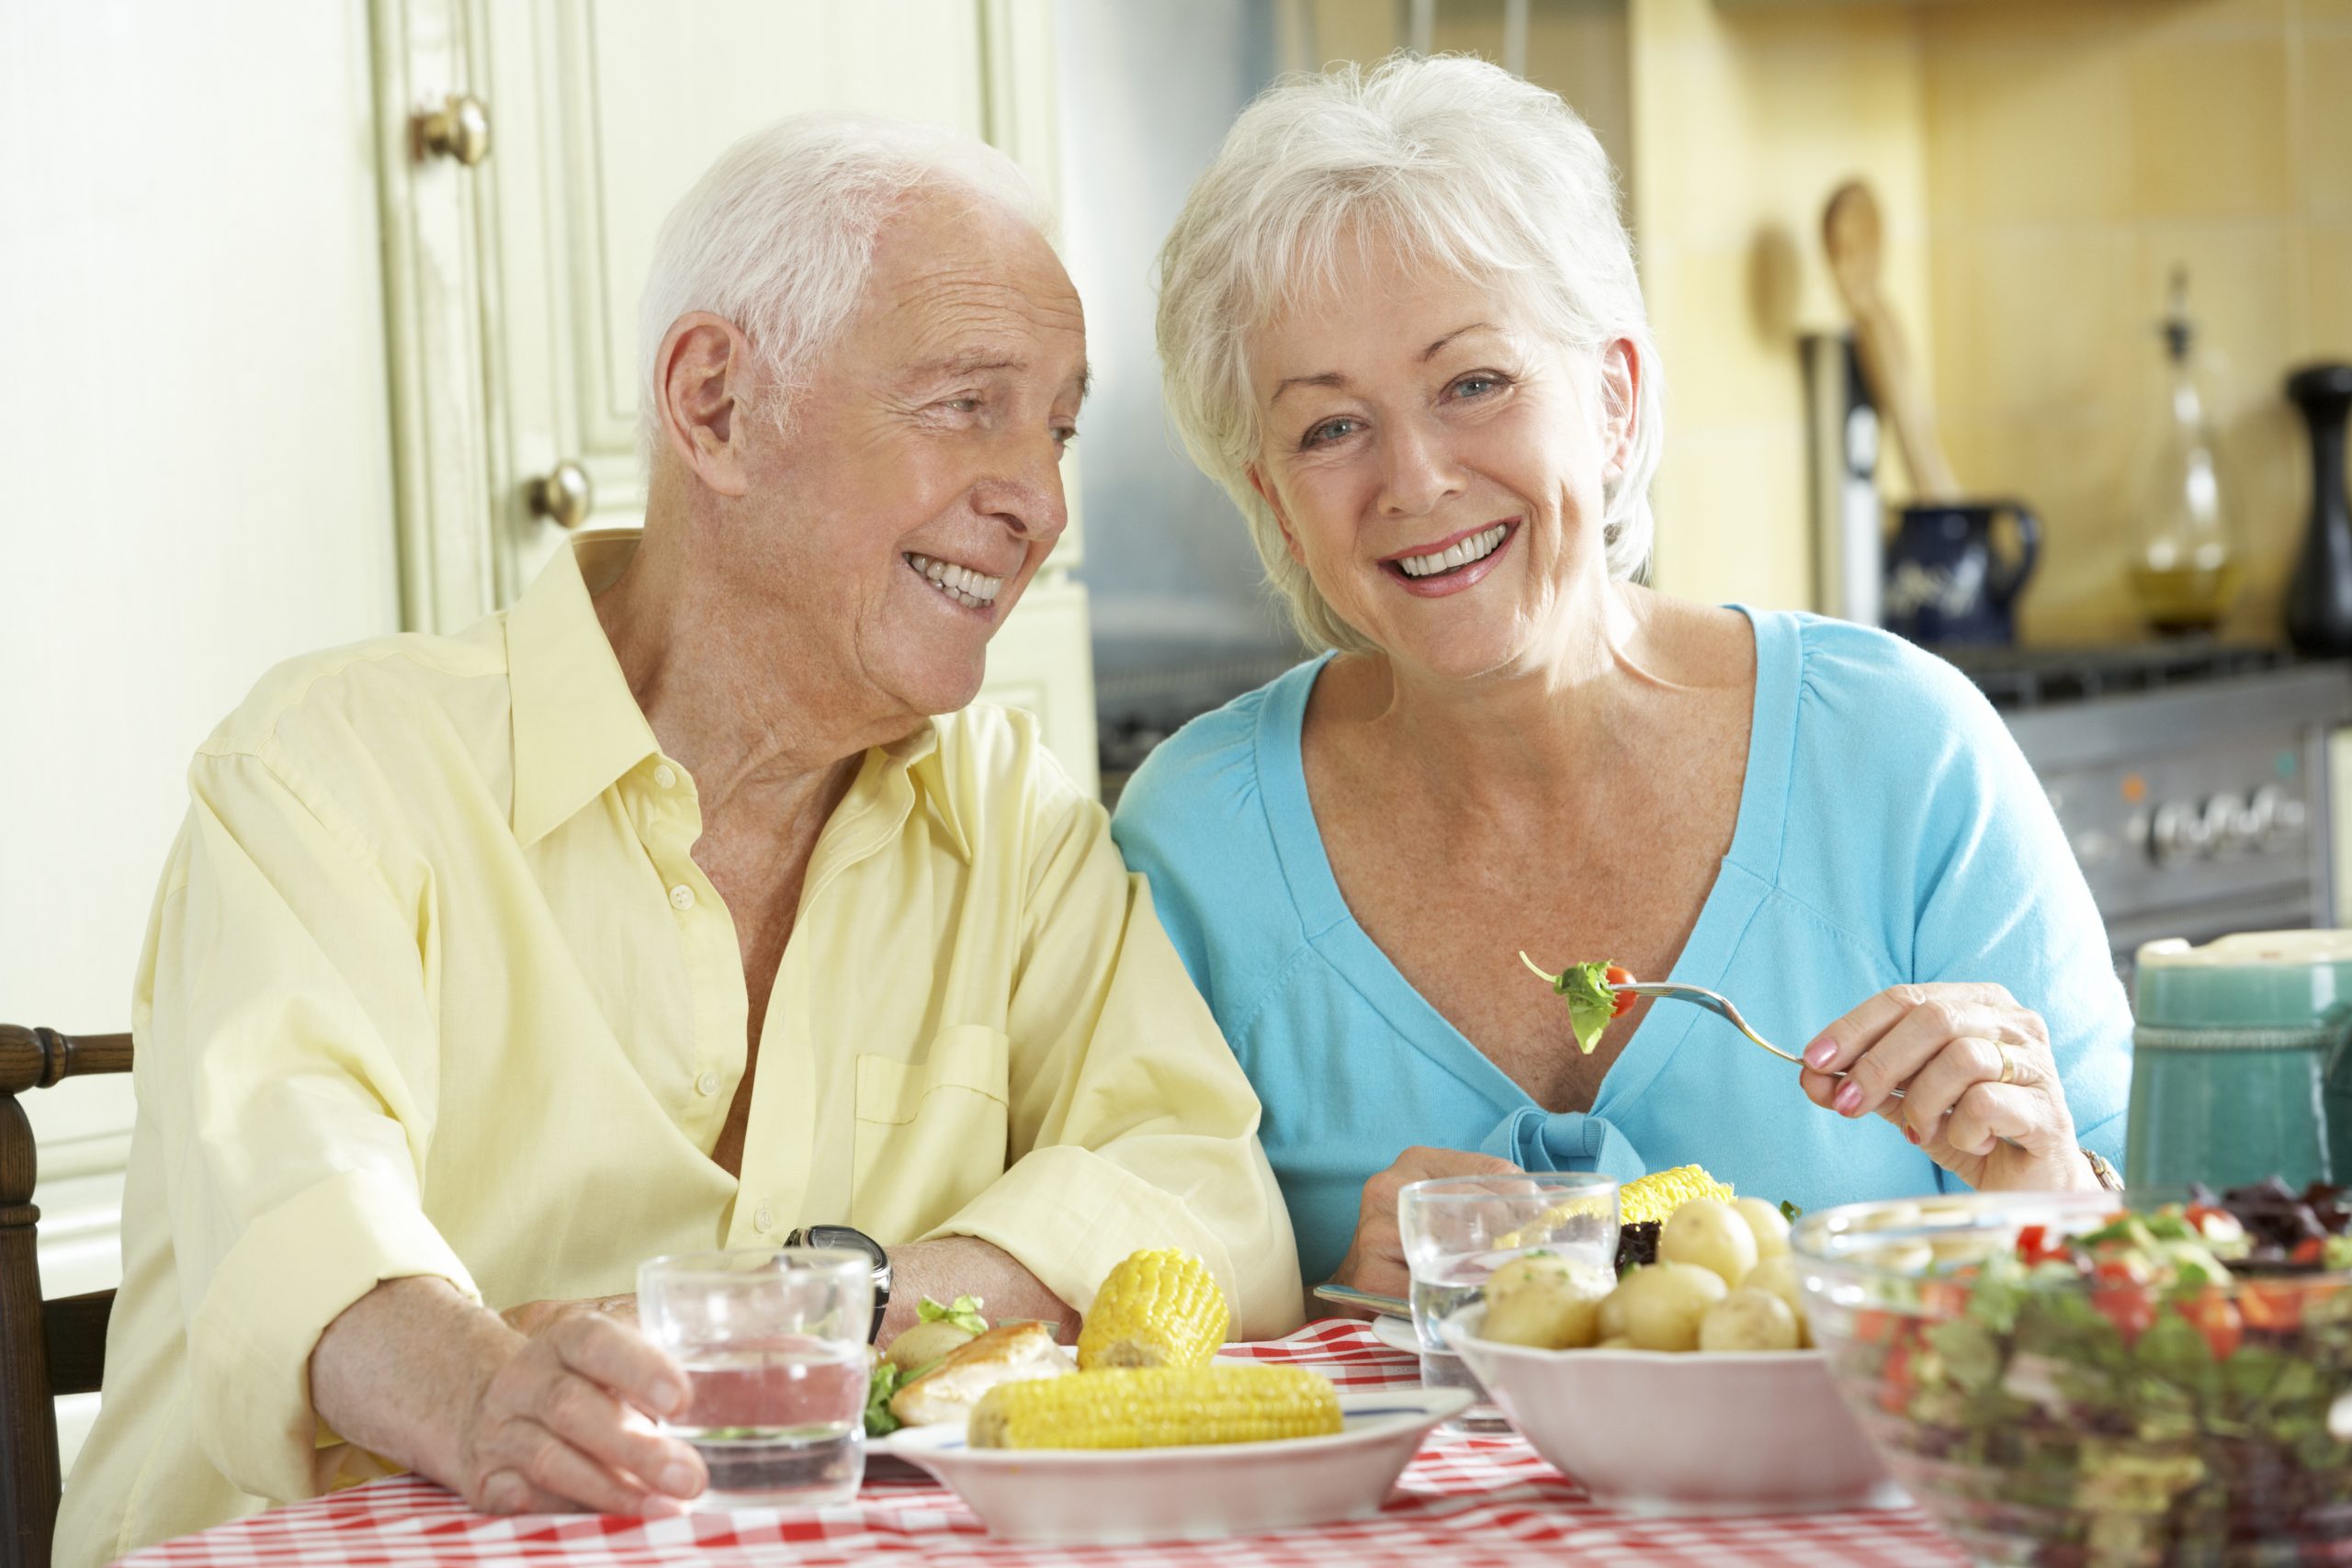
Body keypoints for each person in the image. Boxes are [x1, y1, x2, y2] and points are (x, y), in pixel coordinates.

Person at [59, 112, 1300, 1567]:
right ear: (714, 404)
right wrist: (477, 1390)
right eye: (970, 405)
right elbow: (293, 1206)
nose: (1042, 501)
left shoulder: (1010, 815)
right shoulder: (334, 768)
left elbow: (1210, 1192)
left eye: (1060, 424)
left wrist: (844, 1310)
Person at [1112, 55, 2131, 1303]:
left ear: (1612, 398)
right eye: (1331, 426)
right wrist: (1322, 1300)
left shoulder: (1904, 754)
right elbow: (1135, 1305)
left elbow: (2164, 1277)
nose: (1415, 478)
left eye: (1473, 383)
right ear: (1271, 495)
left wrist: (2048, 1183)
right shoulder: (1195, 843)